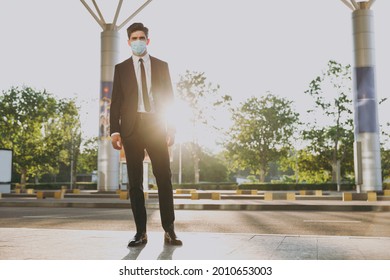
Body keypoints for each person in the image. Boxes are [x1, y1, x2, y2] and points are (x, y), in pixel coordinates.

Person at [110, 22, 182, 247]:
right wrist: (114, 131)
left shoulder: (161, 66)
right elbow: (116, 102)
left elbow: (169, 98)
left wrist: (171, 127)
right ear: (129, 42)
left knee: (164, 178)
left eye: (142, 37)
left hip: (155, 125)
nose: (138, 41)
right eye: (134, 38)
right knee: (134, 183)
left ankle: (169, 230)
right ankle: (140, 232)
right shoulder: (121, 69)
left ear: (147, 41)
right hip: (131, 129)